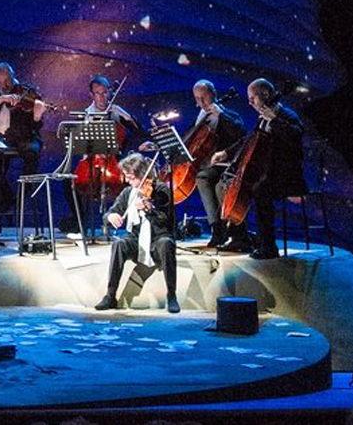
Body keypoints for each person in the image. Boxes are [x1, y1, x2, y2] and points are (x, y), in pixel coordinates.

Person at [94, 153, 181, 313]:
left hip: (158, 238)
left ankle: (172, 295)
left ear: (142, 174)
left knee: (166, 243)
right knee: (119, 244)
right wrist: (110, 216)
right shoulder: (128, 192)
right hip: (136, 239)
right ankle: (110, 295)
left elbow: (166, 220)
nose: (128, 181)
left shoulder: (161, 190)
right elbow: (109, 214)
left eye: (131, 177)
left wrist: (148, 210)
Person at [67, 74, 145, 235]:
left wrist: (126, 115)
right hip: (90, 161)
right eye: (97, 93)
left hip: (115, 161)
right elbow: (77, 143)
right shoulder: (85, 114)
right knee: (68, 183)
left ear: (110, 92)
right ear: (92, 95)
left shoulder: (116, 112)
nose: (102, 97)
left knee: (135, 180)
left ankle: (134, 226)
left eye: (104, 93)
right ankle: (80, 224)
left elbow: (140, 132)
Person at [175, 79, 248, 248]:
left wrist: (221, 114)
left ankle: (219, 230)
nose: (200, 102)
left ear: (213, 94)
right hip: (204, 164)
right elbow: (186, 139)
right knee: (202, 177)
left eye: (204, 97)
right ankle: (217, 229)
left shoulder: (229, 115)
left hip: (226, 165)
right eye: (197, 98)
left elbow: (241, 135)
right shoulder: (199, 118)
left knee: (203, 178)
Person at [240, 78, 306, 260]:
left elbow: (296, 136)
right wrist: (226, 153)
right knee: (237, 186)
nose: (250, 103)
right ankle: (245, 238)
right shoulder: (261, 119)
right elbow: (249, 141)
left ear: (266, 94)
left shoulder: (287, 115)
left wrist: (275, 119)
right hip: (268, 174)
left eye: (252, 98)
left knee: (260, 191)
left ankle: (268, 247)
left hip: (287, 176)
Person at [0, 62, 42, 228]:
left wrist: (37, 115)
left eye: (7, 81)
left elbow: (36, 126)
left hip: (22, 137)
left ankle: (22, 198)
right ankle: (4, 201)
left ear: (12, 76)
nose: (4, 85)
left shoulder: (27, 92)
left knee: (32, 152)